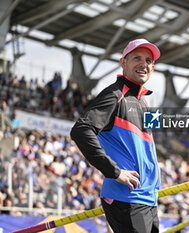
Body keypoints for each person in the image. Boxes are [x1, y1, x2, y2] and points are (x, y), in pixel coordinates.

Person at [70, 38, 161, 233]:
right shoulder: (115, 94)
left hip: (147, 197)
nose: (144, 64)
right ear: (123, 63)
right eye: (137, 58)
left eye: (148, 60)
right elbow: (80, 130)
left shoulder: (145, 103)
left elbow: (147, 151)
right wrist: (115, 171)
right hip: (127, 198)